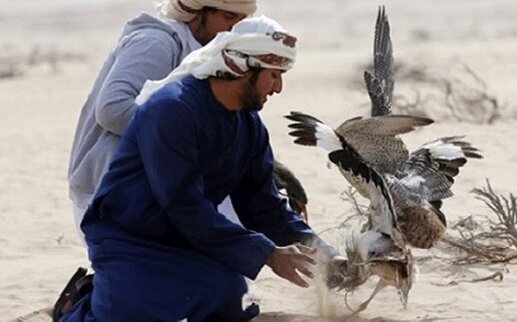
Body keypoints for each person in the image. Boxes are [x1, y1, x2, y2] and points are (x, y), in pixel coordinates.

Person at [57, 15, 341, 322]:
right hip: (127, 235)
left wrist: (325, 254)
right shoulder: (172, 109)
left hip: (183, 238)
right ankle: (80, 303)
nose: (278, 87)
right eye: (274, 75)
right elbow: (183, 205)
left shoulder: (250, 127)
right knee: (126, 315)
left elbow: (263, 205)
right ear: (242, 68)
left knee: (232, 300)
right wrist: (268, 254)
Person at [67, 0, 256, 242]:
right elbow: (112, 110)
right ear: (196, 13)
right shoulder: (156, 43)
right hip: (113, 194)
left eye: (242, 21)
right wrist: (185, 135)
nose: (234, 29)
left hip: (173, 188)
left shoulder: (211, 55)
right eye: (228, 18)